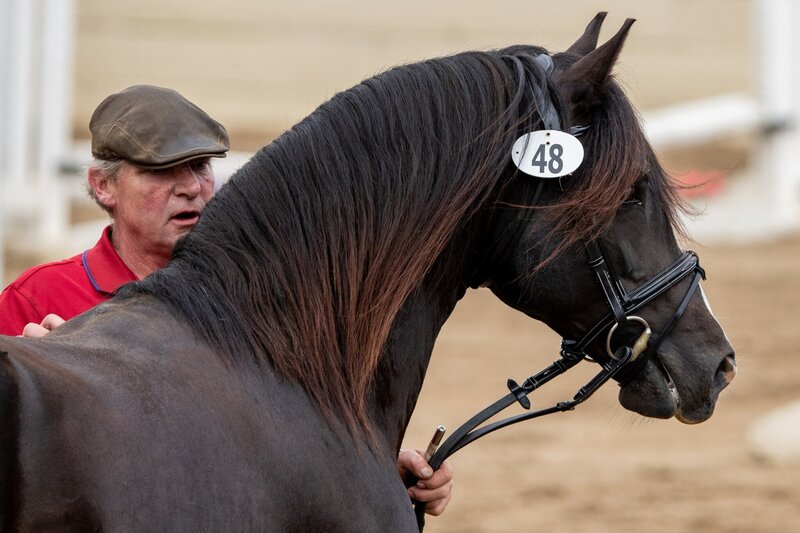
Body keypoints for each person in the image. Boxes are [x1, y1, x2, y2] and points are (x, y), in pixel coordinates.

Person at [0, 84, 453, 514]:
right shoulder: (35, 300)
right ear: (103, 186)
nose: (192, 187)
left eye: (200, 166)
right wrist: (49, 384)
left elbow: (292, 442)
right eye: (162, 170)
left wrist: (381, 471)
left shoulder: (266, 301)